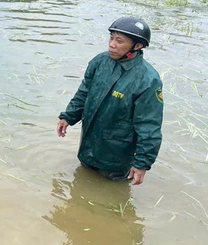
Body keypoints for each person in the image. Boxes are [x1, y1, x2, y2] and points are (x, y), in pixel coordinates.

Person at [57, 17, 164, 186]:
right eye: (111, 38)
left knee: (113, 195)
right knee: (80, 185)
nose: (112, 44)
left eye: (119, 41)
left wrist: (142, 163)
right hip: (88, 144)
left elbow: (149, 125)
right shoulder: (100, 62)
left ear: (137, 46)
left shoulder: (148, 80)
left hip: (117, 156)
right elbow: (84, 92)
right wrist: (68, 117)